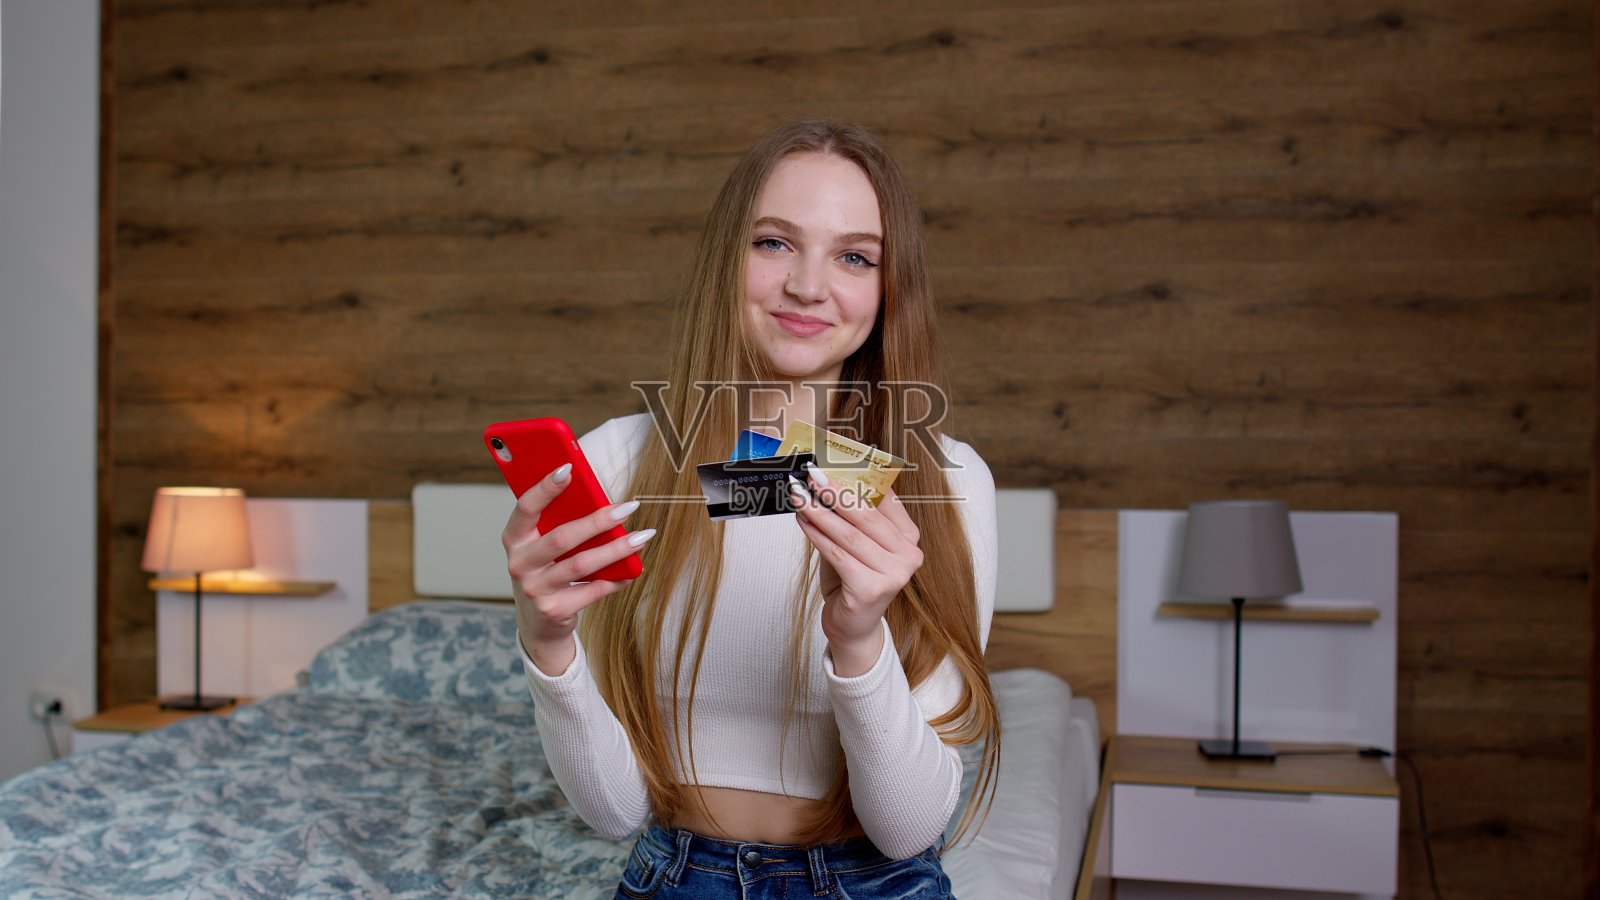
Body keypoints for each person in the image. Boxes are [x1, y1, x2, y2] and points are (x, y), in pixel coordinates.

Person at [501, 119, 999, 900]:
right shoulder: (620, 462)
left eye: (855, 256)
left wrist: (858, 638)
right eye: (773, 243)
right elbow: (613, 811)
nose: (807, 285)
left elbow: (907, 831)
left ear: (888, 287)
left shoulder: (945, 482)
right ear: (725, 260)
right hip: (673, 874)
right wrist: (546, 640)